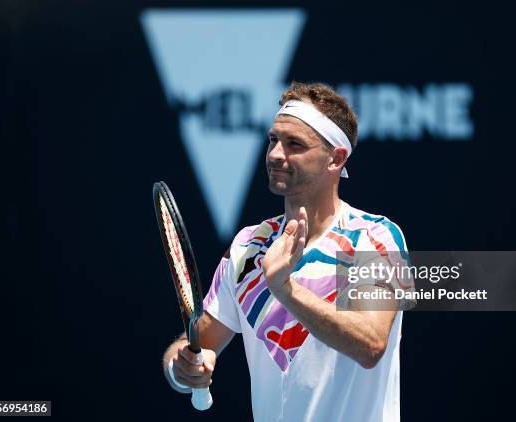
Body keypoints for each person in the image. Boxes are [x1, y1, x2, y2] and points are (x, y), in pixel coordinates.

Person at [162, 82, 412, 422]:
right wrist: (182, 368)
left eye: (295, 144)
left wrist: (286, 290)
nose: (276, 154)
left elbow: (370, 345)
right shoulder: (248, 247)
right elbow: (196, 345)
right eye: (273, 140)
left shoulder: (375, 237)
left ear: (336, 158)